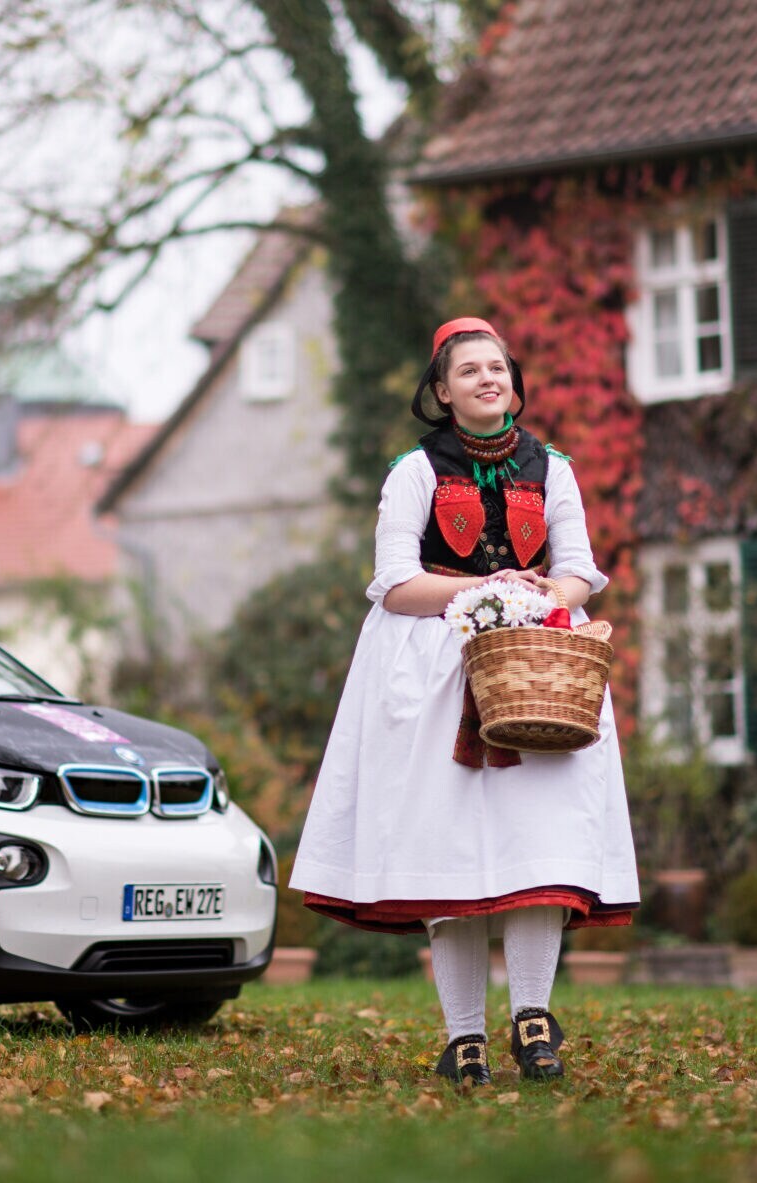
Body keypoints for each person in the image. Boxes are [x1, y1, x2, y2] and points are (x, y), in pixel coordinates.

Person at [288, 317, 640, 1085]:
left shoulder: (554, 468)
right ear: (441, 392)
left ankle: (534, 1018)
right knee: (444, 849)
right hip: (431, 679)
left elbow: (579, 569)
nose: (488, 378)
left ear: (514, 382)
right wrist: (483, 589)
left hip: (539, 667)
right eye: (469, 370)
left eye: (498, 367)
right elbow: (395, 582)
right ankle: (463, 1035)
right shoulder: (413, 471)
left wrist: (548, 593)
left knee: (539, 842)